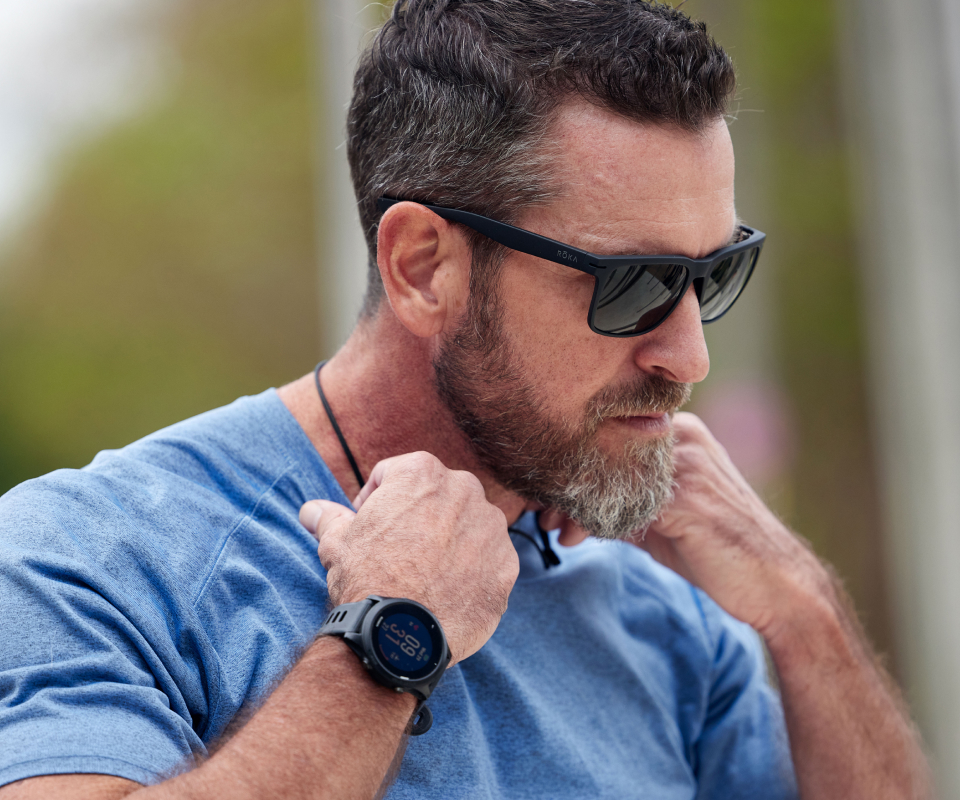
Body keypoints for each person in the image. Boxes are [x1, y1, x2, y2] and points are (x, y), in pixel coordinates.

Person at [0, 1, 932, 798]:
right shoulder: (91, 558)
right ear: (422, 266)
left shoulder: (673, 618)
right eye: (634, 284)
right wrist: (392, 634)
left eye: (713, 273)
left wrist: (804, 614)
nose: (689, 356)